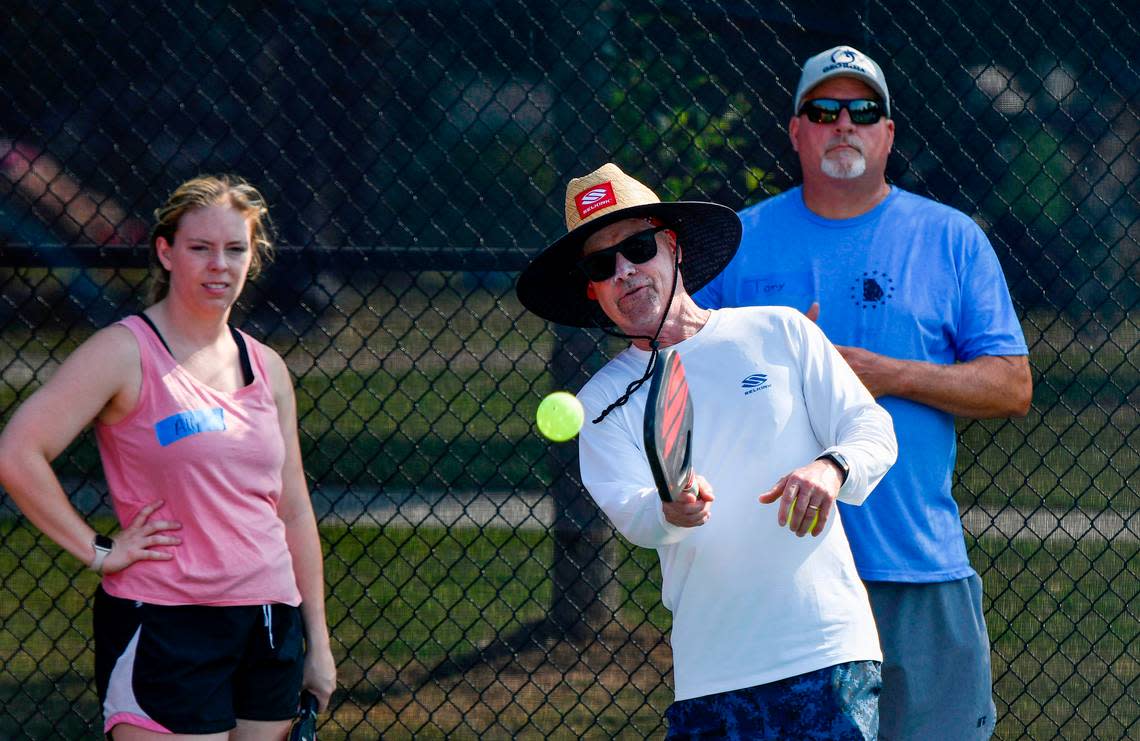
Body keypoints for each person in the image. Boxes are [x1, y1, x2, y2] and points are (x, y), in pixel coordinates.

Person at [694, 46, 1034, 740]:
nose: (842, 124)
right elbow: (677, 376)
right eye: (823, 110)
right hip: (781, 577)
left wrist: (888, 373)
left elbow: (1011, 384)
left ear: (887, 133)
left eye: (863, 111)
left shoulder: (951, 238)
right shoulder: (739, 243)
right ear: (796, 132)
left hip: (917, 562)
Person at [516, 162, 898, 739]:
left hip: (827, 650)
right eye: (601, 264)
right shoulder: (599, 405)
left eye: (638, 247)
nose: (625, 272)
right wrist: (672, 509)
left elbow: (872, 428)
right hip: (711, 676)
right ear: (592, 289)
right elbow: (637, 516)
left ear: (672, 249)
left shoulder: (780, 331)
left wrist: (831, 466)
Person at [0, 174, 337, 739]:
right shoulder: (123, 351)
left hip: (270, 623)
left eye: (235, 249)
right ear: (166, 251)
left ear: (253, 257)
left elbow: (295, 511)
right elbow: (17, 453)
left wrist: (318, 642)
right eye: (200, 248)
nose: (219, 266)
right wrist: (99, 550)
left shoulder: (268, 367)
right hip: (166, 622)